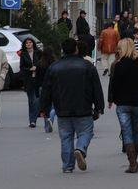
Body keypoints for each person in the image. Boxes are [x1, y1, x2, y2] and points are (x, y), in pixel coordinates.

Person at [39, 38, 105, 174]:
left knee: (66, 137)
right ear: (76, 49)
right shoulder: (87, 66)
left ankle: (68, 165)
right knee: (86, 132)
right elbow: (96, 88)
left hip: (62, 108)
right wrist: (99, 106)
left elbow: (46, 90)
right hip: (83, 107)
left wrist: (44, 109)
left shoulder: (54, 67)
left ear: (63, 50)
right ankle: (80, 148)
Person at [108, 38, 138, 173]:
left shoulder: (118, 65)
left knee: (126, 132)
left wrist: (114, 99)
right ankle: (134, 160)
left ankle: (132, 162)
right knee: (135, 131)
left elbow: (113, 85)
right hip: (137, 102)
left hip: (122, 103)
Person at [19, 37, 42, 128]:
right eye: (27, 43)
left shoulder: (38, 53)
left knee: (37, 100)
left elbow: (42, 64)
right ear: (25, 45)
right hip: (28, 80)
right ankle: (32, 121)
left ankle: (36, 116)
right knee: (31, 100)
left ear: (33, 43)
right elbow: (21, 67)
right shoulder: (23, 54)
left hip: (38, 79)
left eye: (30, 42)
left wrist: (37, 67)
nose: (28, 44)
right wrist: (29, 69)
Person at [37, 47, 57, 133]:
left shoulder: (40, 64)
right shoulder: (55, 64)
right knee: (53, 105)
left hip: (43, 87)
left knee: (45, 106)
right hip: (54, 86)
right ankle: (51, 118)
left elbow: (37, 77)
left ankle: (46, 124)